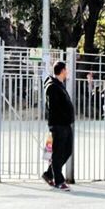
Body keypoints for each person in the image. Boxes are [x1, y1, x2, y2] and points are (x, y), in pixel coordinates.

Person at [42, 61, 74, 190]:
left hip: (65, 124)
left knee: (67, 151)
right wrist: (64, 117)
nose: (68, 72)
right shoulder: (52, 87)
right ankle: (59, 180)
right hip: (58, 125)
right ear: (62, 71)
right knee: (58, 152)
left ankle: (49, 174)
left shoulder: (59, 85)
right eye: (66, 69)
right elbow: (53, 108)